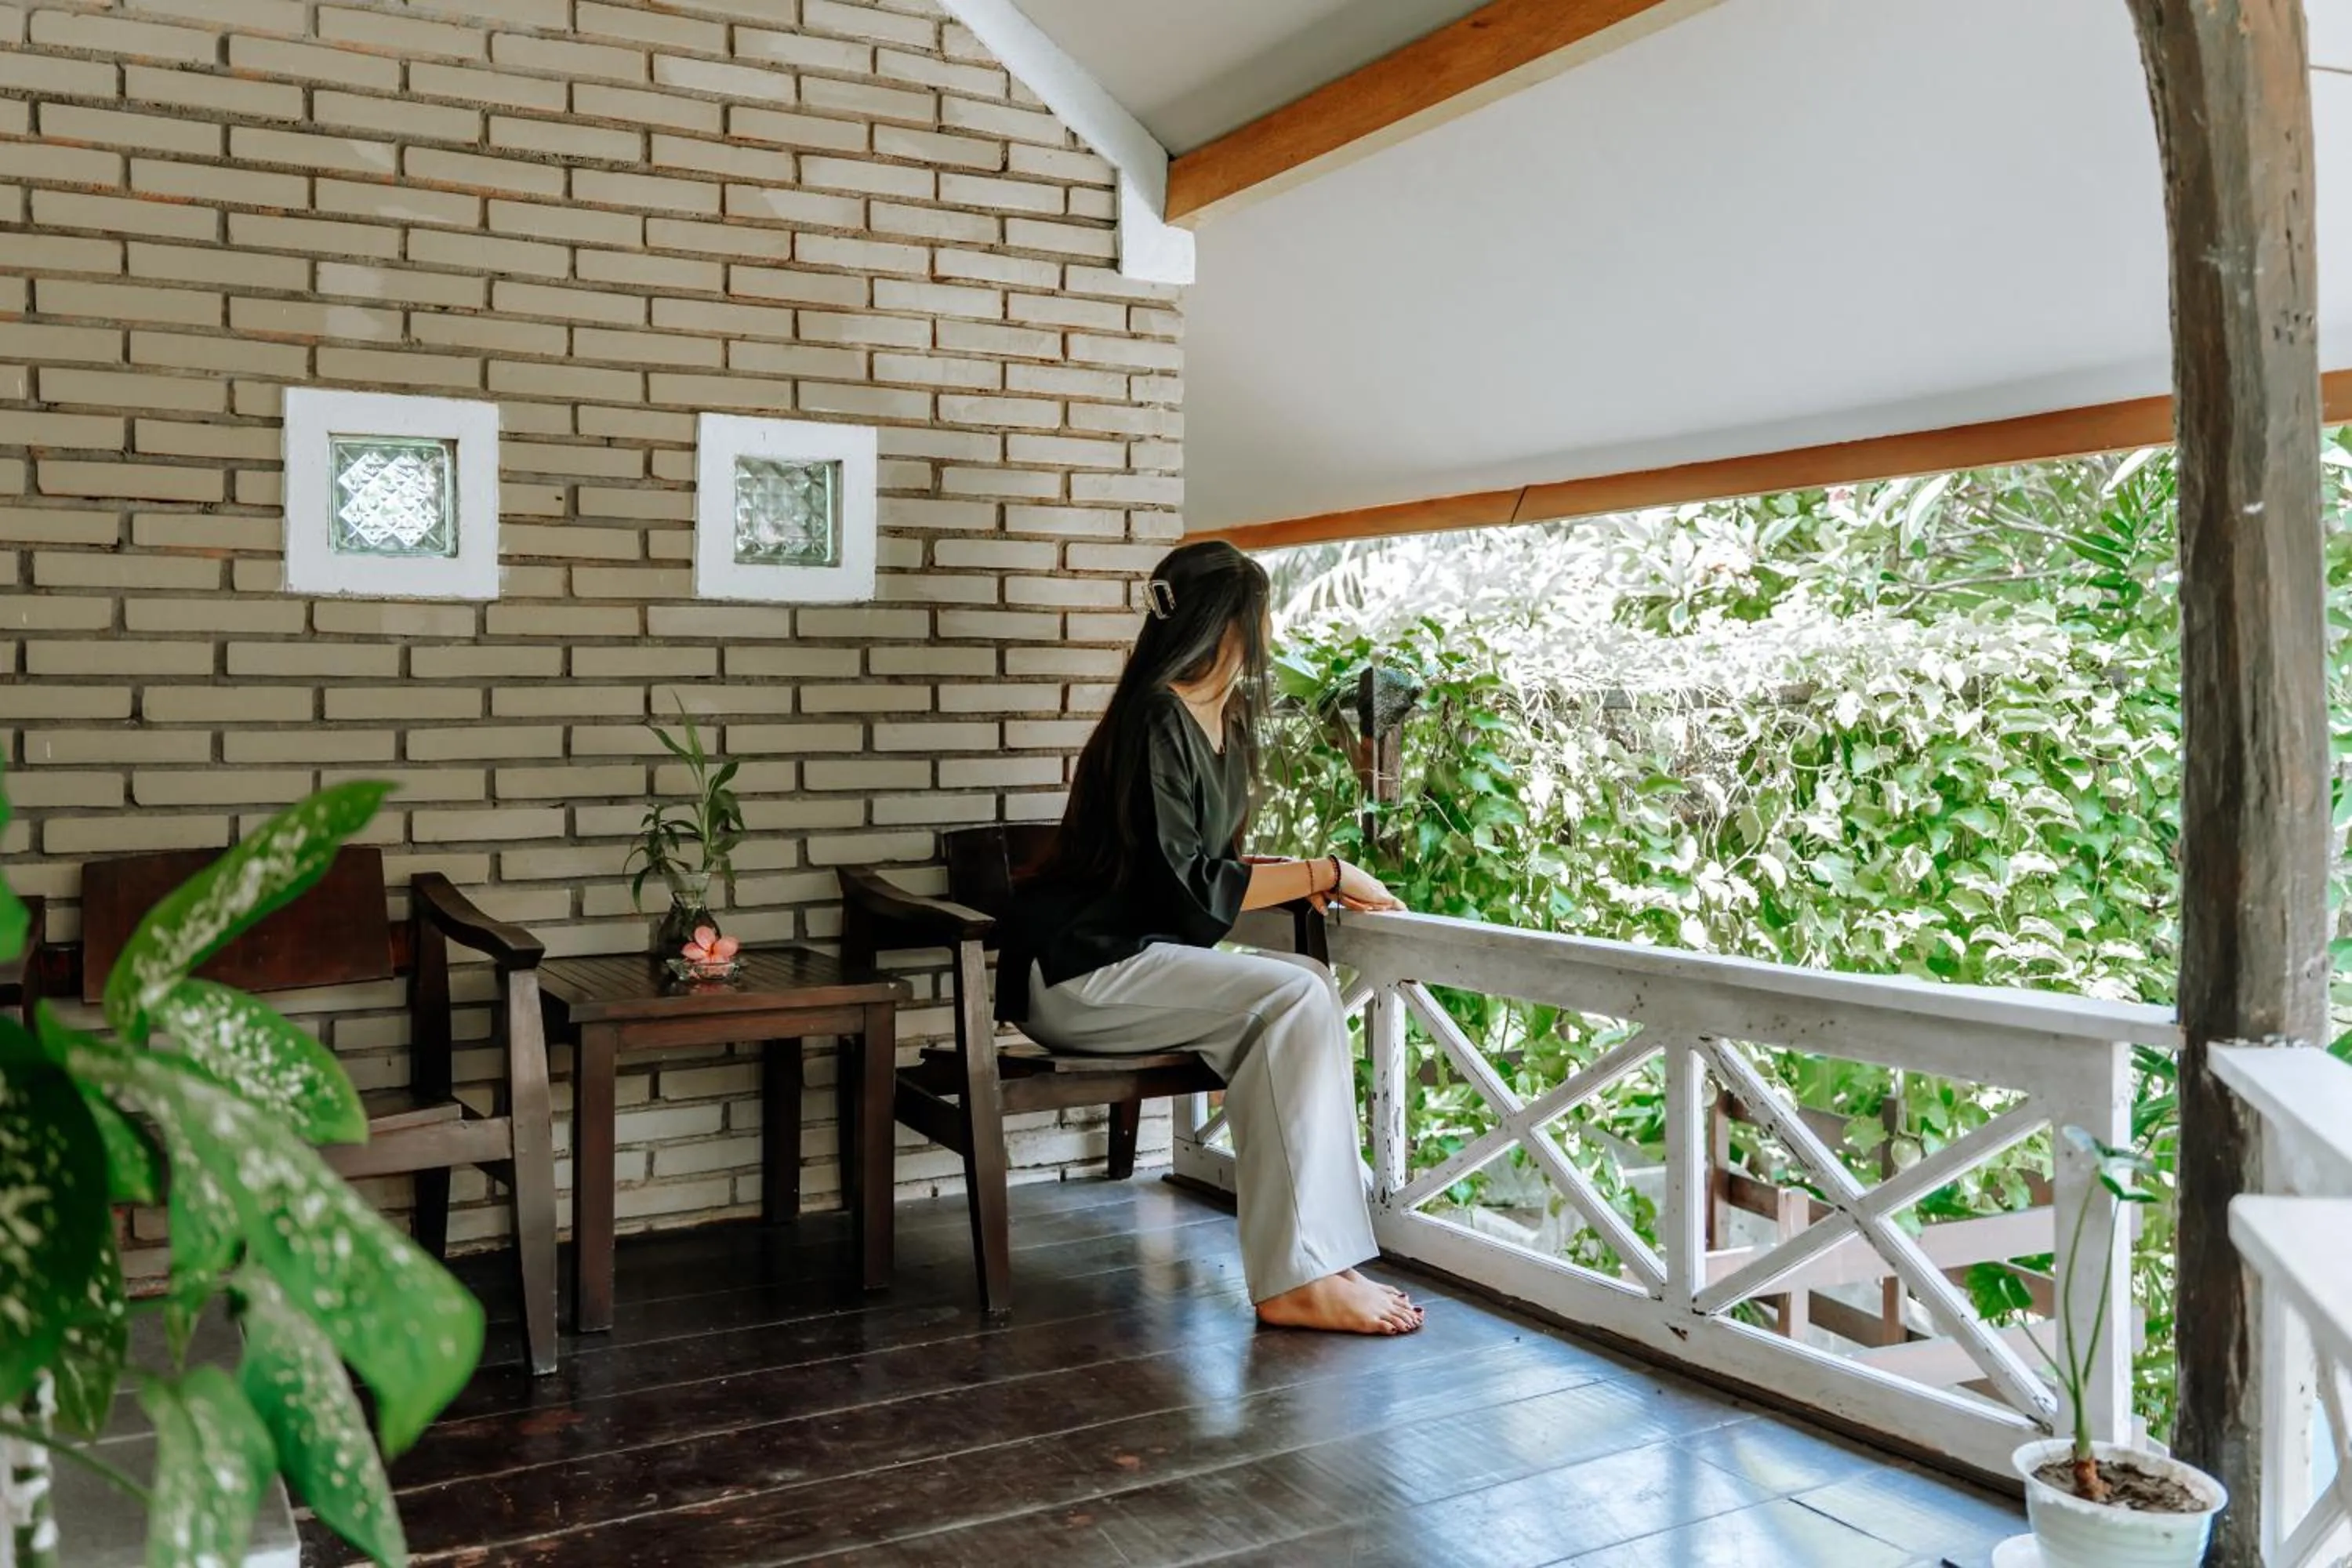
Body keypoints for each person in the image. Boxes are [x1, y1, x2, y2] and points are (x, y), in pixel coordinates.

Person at [997, 540, 1424, 1336]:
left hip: (1137, 966)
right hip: (1079, 972)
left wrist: (1314, 874)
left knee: (1291, 1003)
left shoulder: (1220, 721)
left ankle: (1312, 1264)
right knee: (1296, 989)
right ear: (1227, 622)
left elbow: (1205, 866)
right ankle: (1298, 1274)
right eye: (1258, 617)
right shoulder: (1155, 715)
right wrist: (1326, 870)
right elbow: (1193, 893)